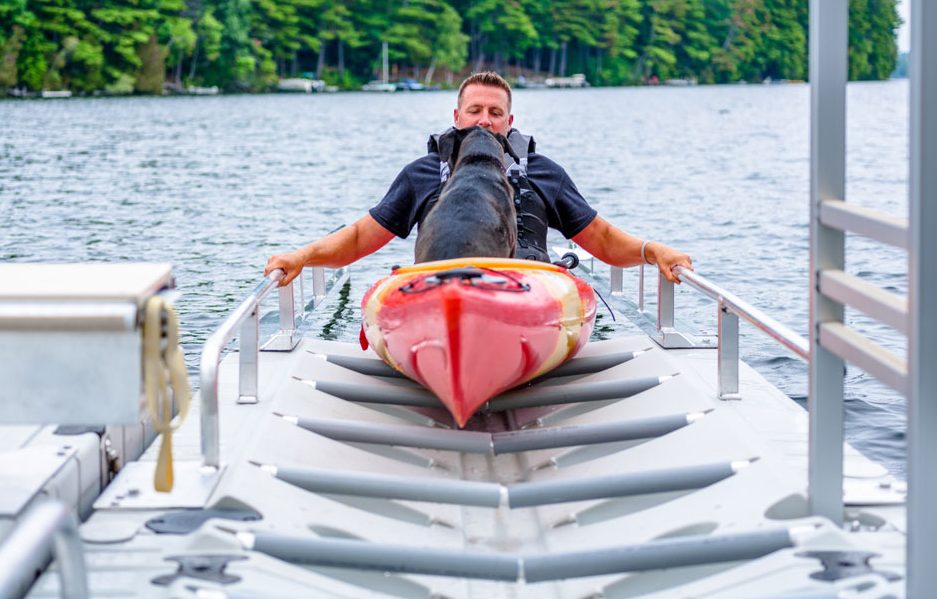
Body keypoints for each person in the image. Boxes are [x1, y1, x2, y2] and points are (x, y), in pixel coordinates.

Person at [265, 71, 692, 284]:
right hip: (441, 284)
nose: (484, 121)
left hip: (527, 286)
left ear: (510, 121)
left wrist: (653, 250)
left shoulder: (545, 173)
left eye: (494, 113)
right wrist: (301, 257)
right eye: (475, 111)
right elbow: (359, 238)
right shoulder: (421, 174)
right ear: (456, 117)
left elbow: (602, 239)